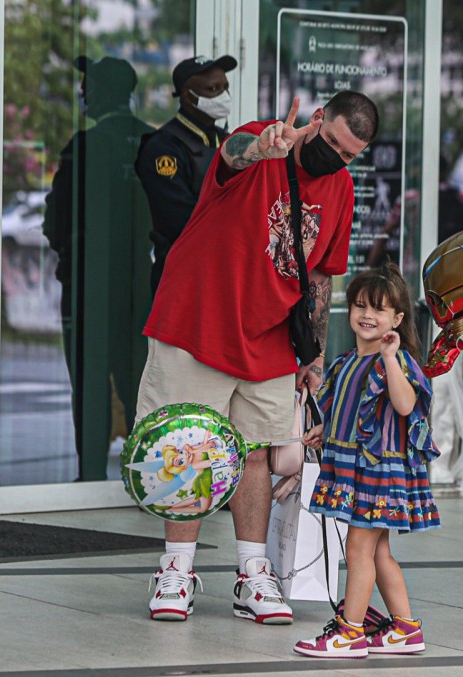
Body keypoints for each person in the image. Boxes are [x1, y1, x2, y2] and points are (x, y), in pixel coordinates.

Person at [138, 91, 379, 624]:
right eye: (332, 142)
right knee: (188, 445)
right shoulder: (265, 142)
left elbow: (321, 277)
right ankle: (175, 569)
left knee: (255, 454)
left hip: (270, 336)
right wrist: (262, 146)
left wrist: (312, 355)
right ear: (317, 120)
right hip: (197, 319)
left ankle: (253, 574)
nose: (335, 158)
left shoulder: (339, 189)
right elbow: (233, 154)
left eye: (347, 155)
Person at [292, 265, 440, 658]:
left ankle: (350, 632)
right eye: (360, 305)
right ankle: (406, 628)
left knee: (358, 550)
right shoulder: (344, 364)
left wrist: (391, 357)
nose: (367, 315)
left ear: (398, 319)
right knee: (376, 551)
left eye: (378, 308)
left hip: (378, 470)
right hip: (355, 465)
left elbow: (405, 404)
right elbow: (352, 411)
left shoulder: (398, 362)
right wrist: (328, 432)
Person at [43, 56, 154, 481]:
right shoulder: (153, 141)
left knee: (90, 385)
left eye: (87, 86)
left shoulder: (85, 146)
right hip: (142, 288)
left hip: (89, 287)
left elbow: (58, 217)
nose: (82, 93)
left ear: (103, 92)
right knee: (139, 384)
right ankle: (148, 476)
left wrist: (74, 254)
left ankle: (90, 476)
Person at [135, 54, 236, 293]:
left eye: (225, 88)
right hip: (182, 278)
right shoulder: (163, 148)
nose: (223, 96)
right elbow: (181, 220)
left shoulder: (226, 141)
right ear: (189, 97)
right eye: (213, 89)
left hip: (223, 275)